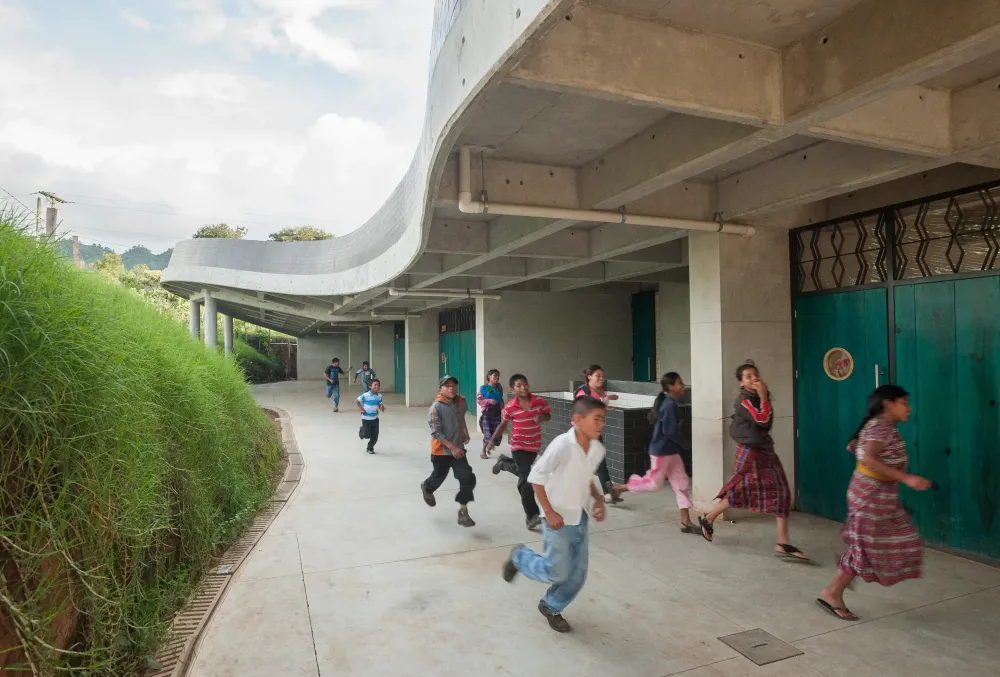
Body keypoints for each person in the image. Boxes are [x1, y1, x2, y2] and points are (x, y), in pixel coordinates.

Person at [817, 385, 931, 621]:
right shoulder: (880, 426)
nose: (909, 409)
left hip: (880, 495)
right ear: (889, 403)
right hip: (871, 496)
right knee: (867, 547)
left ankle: (837, 586)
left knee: (888, 543)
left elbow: (857, 448)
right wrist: (906, 477)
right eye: (904, 403)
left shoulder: (881, 426)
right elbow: (867, 458)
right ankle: (833, 591)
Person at [501, 396, 608, 633]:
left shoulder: (597, 448)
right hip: (556, 518)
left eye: (603, 419)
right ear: (578, 420)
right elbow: (536, 478)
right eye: (596, 419)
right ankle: (520, 557)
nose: (601, 424)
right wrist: (548, 512)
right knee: (556, 570)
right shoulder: (562, 445)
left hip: (579, 517)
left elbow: (586, 475)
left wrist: (598, 499)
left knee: (577, 575)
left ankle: (550, 606)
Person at [698, 362, 808, 561]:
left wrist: (764, 396)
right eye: (748, 376)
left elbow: (766, 422)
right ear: (741, 382)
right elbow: (763, 420)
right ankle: (708, 518)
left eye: (755, 374)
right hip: (750, 452)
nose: (754, 378)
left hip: (765, 450)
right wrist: (764, 396)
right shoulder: (744, 401)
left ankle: (783, 542)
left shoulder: (758, 397)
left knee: (782, 492)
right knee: (740, 490)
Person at [611, 372, 699, 533]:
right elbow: (670, 431)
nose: (683, 386)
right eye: (680, 383)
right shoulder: (669, 405)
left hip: (671, 452)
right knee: (653, 484)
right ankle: (619, 488)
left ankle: (686, 522)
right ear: (671, 387)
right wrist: (686, 444)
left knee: (681, 483)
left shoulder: (668, 402)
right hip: (661, 453)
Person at [485, 374, 552, 530]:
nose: (523, 388)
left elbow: (548, 415)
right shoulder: (510, 407)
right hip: (518, 446)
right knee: (528, 480)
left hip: (534, 446)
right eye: (519, 385)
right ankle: (532, 515)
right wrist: (492, 440)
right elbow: (503, 424)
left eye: (525, 384)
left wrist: (541, 418)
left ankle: (504, 463)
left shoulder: (539, 402)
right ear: (512, 389)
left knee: (524, 476)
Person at [421, 375, 477, 527]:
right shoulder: (436, 408)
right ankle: (426, 487)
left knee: (467, 478)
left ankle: (463, 510)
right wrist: (451, 447)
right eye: (447, 386)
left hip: (458, 449)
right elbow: (436, 433)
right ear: (440, 390)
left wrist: (464, 431)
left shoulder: (461, 402)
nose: (451, 388)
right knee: (438, 478)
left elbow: (461, 418)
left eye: (453, 385)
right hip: (441, 452)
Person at [575, 365, 622, 504]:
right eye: (598, 376)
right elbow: (583, 411)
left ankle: (609, 493)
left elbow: (599, 409)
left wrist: (606, 407)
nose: (601, 379)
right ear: (589, 376)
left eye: (602, 376)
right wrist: (603, 405)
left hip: (594, 431)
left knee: (600, 461)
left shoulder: (600, 391)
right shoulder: (583, 392)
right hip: (582, 433)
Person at [477, 369, 504, 460]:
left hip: (497, 413)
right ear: (489, 376)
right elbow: (479, 401)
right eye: (495, 375)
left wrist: (502, 406)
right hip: (487, 414)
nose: (497, 377)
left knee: (497, 434)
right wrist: (488, 401)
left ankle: (491, 445)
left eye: (498, 376)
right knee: (487, 433)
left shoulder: (499, 387)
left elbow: (501, 398)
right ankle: (483, 450)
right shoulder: (483, 388)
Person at [356, 379, 386, 454]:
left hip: (375, 419)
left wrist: (381, 406)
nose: (377, 386)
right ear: (370, 386)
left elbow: (379, 403)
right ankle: (362, 431)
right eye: (375, 385)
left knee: (375, 436)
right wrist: (361, 409)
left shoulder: (379, 396)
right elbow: (357, 401)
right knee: (367, 435)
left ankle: (370, 448)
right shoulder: (365, 395)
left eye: (378, 385)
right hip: (366, 419)